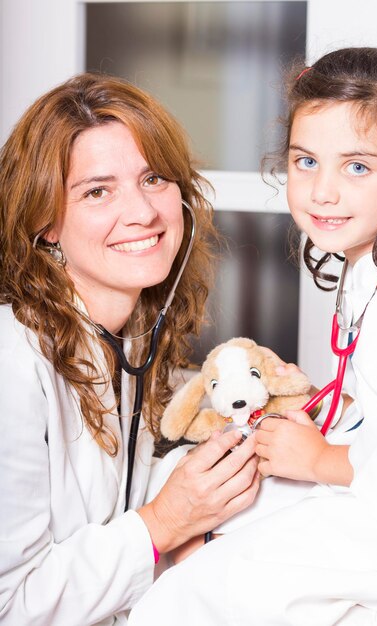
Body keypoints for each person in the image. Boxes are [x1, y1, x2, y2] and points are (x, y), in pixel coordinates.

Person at [128, 47, 377, 625]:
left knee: (196, 592)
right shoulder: (372, 267)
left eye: (356, 166)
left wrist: (319, 459)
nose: (322, 191)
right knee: (175, 483)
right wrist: (338, 411)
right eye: (306, 162)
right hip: (371, 485)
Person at [0, 73, 262, 625]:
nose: (143, 212)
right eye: (97, 190)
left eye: (154, 178)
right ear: (45, 222)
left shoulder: (131, 333)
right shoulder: (11, 361)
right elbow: (11, 607)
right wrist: (164, 523)